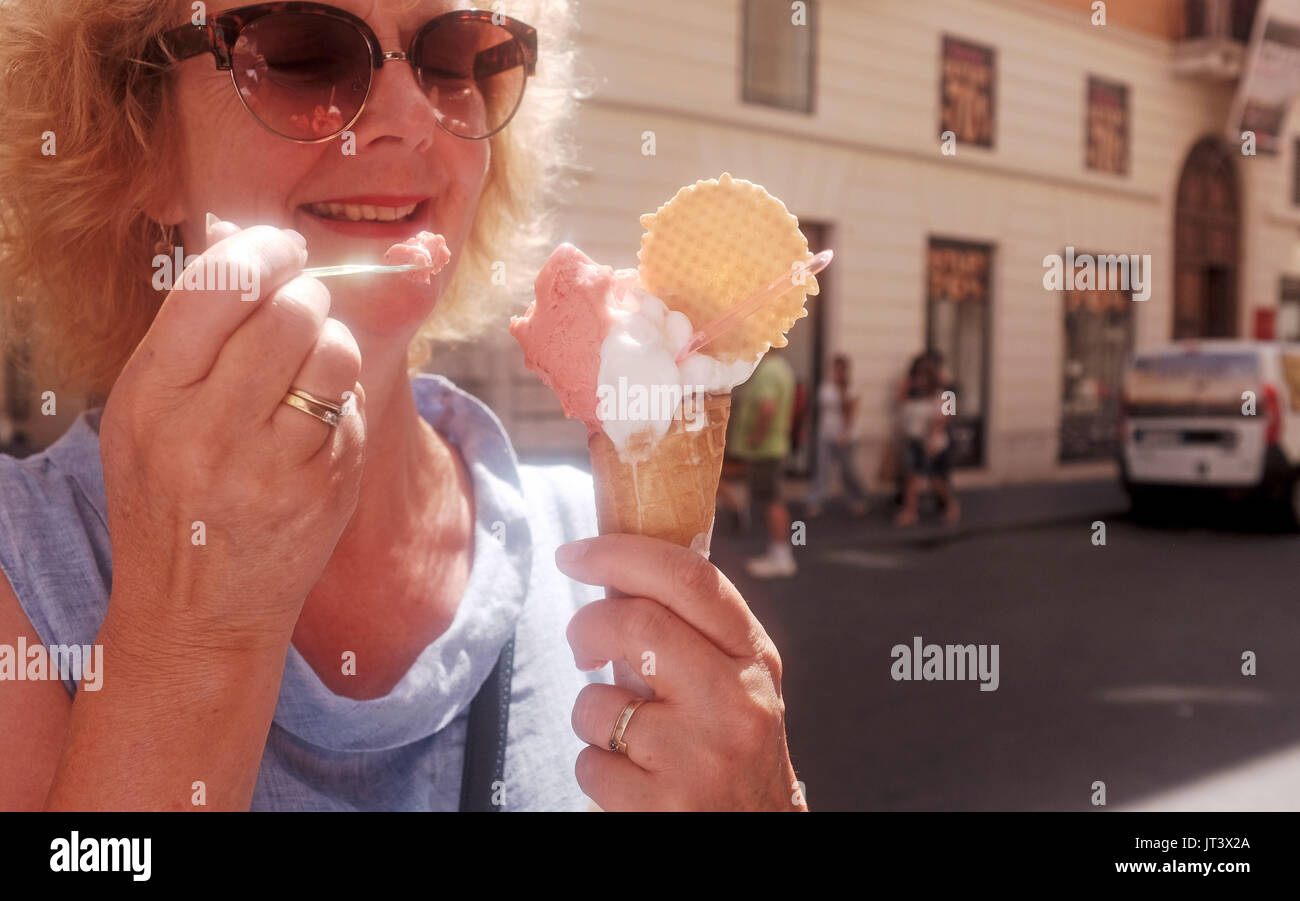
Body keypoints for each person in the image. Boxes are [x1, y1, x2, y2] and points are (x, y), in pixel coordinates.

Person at [0, 0, 804, 812]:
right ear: (141, 142)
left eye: (453, 55)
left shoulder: (596, 540)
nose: (414, 117)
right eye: (303, 50)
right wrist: (191, 632)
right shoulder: (19, 572)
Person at [731, 350, 798, 578]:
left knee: (772, 501)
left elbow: (767, 407)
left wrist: (756, 437)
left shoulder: (768, 371)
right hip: (774, 446)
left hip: (765, 449)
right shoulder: (782, 368)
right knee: (773, 499)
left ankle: (782, 557)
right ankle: (779, 553)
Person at [895, 357, 960, 526]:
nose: (919, 380)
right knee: (912, 478)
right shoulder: (914, 394)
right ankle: (910, 512)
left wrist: (932, 440)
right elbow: (900, 405)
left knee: (936, 481)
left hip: (934, 444)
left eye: (923, 376)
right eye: (917, 376)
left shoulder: (943, 394)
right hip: (914, 441)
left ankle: (952, 507)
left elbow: (946, 418)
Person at [804, 354, 867, 517]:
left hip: (845, 436)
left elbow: (851, 412)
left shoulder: (850, 388)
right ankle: (815, 501)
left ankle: (857, 498)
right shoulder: (826, 387)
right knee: (822, 469)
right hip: (825, 433)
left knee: (847, 470)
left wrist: (845, 433)